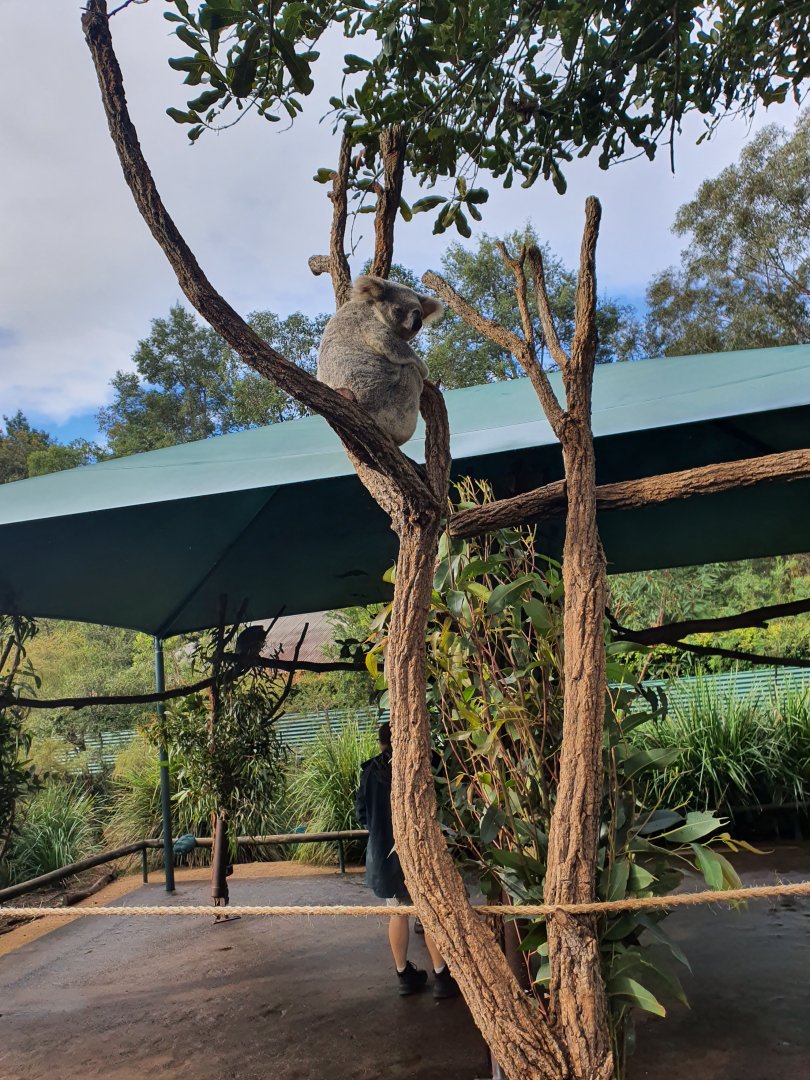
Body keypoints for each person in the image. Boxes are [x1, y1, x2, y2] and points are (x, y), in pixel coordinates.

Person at [356, 721, 459, 999]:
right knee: (429, 913)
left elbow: (362, 814)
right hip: (419, 851)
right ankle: (441, 975)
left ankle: (403, 974)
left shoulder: (370, 772)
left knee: (397, 912)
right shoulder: (423, 763)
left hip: (384, 856)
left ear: (382, 744)